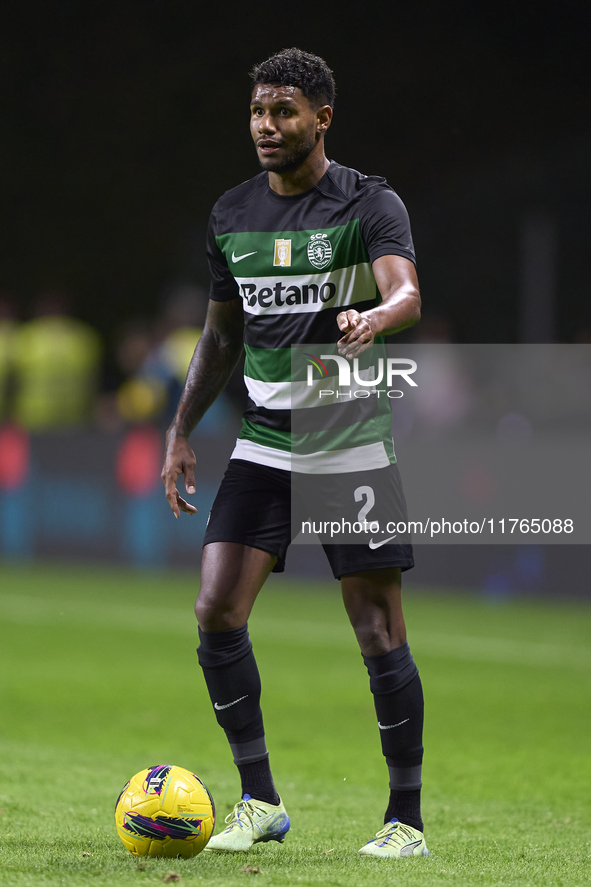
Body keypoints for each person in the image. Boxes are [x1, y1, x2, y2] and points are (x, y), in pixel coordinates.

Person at [161, 48, 427, 860]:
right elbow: (220, 335)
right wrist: (179, 430)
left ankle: (405, 820)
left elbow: (405, 290)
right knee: (214, 611)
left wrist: (376, 318)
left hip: (346, 441)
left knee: (375, 625)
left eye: (283, 111)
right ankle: (259, 799)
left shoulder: (368, 202)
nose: (266, 126)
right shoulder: (231, 213)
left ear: (321, 118)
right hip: (265, 440)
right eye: (256, 112)